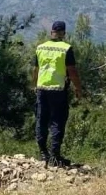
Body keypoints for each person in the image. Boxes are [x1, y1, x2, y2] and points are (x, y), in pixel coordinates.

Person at [32, 20, 83, 166]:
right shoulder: (66, 48)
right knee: (57, 121)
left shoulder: (41, 47)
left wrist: (34, 85)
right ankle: (55, 156)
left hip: (41, 88)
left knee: (41, 119)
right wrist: (78, 88)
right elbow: (72, 71)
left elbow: (35, 69)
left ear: (51, 32)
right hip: (58, 89)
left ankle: (43, 154)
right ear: (64, 33)